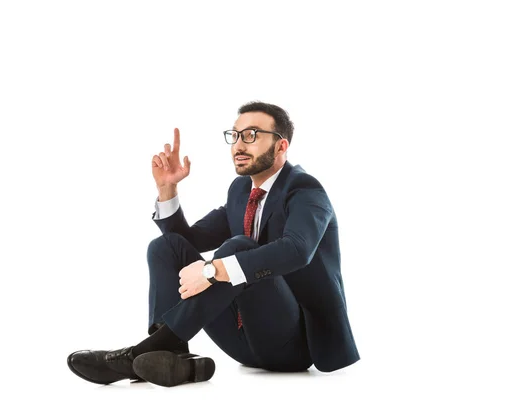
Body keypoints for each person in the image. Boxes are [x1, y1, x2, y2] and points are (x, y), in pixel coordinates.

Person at [67, 101, 360, 387]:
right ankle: (172, 355)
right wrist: (167, 190)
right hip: (241, 341)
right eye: (235, 136)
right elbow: (186, 241)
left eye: (252, 135)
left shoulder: (305, 189)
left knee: (239, 248)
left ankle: (138, 354)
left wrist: (211, 271)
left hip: (293, 345)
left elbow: (297, 250)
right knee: (165, 247)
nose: (239, 145)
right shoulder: (241, 191)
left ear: (281, 146)